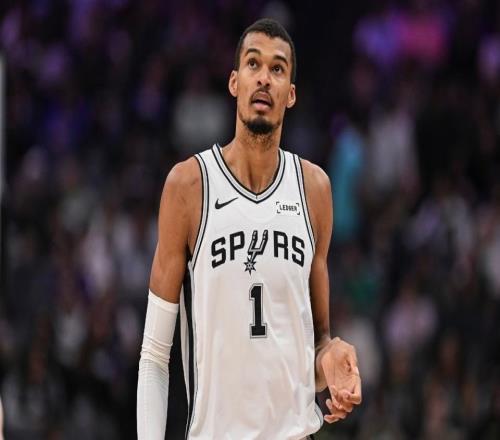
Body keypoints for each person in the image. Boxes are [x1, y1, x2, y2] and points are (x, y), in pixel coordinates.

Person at [137, 18, 362, 439]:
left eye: (277, 69)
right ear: (234, 82)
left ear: (290, 94)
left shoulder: (314, 189)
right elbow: (154, 354)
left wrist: (330, 361)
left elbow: (315, 346)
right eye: (253, 64)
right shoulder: (189, 185)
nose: (264, 78)